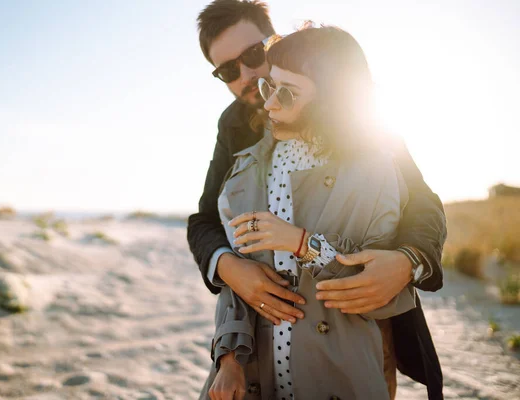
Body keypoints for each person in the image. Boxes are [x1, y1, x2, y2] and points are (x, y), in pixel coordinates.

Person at [188, 1, 446, 399]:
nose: (248, 76)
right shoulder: (235, 124)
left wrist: (408, 261)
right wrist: (230, 267)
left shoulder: (362, 117)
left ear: (275, 43)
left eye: (254, 55)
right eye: (228, 70)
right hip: (263, 343)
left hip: (355, 328)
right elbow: (206, 220)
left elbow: (421, 202)